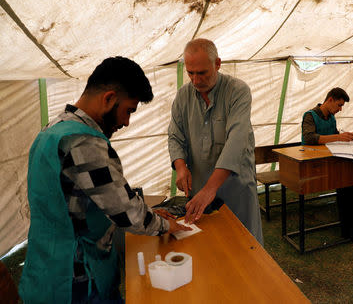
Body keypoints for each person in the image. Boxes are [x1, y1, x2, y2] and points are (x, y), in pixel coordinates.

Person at [19, 57, 190, 304]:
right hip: (77, 279)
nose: (126, 122)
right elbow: (125, 211)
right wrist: (167, 226)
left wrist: (151, 212)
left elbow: (96, 194)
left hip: (46, 267)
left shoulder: (55, 128)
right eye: (128, 110)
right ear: (109, 98)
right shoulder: (83, 141)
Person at [168, 38, 263, 244]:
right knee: (207, 247)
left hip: (236, 188)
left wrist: (210, 189)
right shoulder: (183, 96)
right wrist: (181, 166)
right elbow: (175, 135)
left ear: (217, 64)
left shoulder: (238, 91)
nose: (195, 80)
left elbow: (237, 140)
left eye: (202, 73)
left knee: (244, 245)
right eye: (190, 73)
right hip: (199, 186)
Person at [302, 87, 353, 242]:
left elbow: (334, 137)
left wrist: (350, 136)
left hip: (331, 161)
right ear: (330, 100)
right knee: (348, 183)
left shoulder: (332, 118)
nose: (340, 109)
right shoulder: (310, 116)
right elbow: (309, 138)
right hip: (313, 164)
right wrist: (339, 136)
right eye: (339, 105)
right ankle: (349, 228)